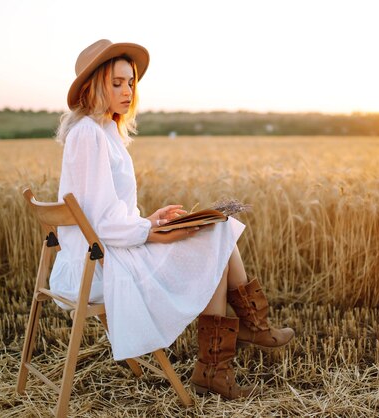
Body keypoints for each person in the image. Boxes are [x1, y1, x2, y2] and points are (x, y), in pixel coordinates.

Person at [50, 39, 294, 400]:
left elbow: (104, 211)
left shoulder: (104, 130)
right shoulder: (89, 133)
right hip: (98, 265)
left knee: (216, 228)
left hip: (106, 250)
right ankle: (236, 344)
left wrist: (149, 220)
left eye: (131, 82)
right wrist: (151, 232)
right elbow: (100, 221)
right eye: (116, 83)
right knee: (215, 240)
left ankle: (241, 339)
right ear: (93, 85)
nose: (127, 91)